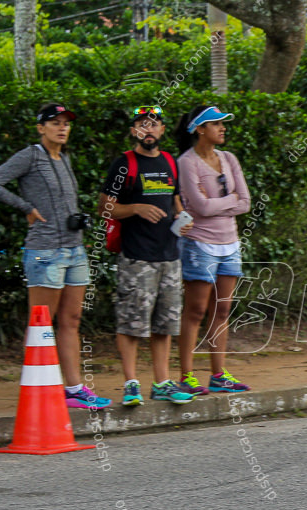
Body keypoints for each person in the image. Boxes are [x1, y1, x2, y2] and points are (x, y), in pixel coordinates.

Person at [0, 103, 112, 410]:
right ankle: (37, 392)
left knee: (71, 320)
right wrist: (26, 209)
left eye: (66, 123)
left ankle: (73, 389)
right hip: (45, 250)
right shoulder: (30, 156)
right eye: (55, 123)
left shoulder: (65, 158)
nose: (62, 128)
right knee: (41, 323)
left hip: (75, 249)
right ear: (40, 127)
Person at [98, 106, 195, 406]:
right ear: (133, 131)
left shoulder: (170, 162)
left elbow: (174, 197)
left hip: (169, 256)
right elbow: (104, 207)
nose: (148, 130)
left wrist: (182, 216)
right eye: (142, 125)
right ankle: (130, 384)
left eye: (154, 124)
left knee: (164, 324)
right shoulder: (123, 164)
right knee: (131, 323)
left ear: (162, 130)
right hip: (137, 257)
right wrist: (136, 209)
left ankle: (162, 383)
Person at [174, 105, 252, 394]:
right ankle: (186, 376)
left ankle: (218, 374)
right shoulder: (186, 162)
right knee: (195, 310)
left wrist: (219, 203)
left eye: (223, 123)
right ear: (199, 129)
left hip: (230, 245)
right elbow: (199, 206)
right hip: (199, 245)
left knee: (223, 309)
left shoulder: (229, 158)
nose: (222, 128)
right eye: (215, 123)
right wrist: (227, 201)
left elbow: (245, 202)